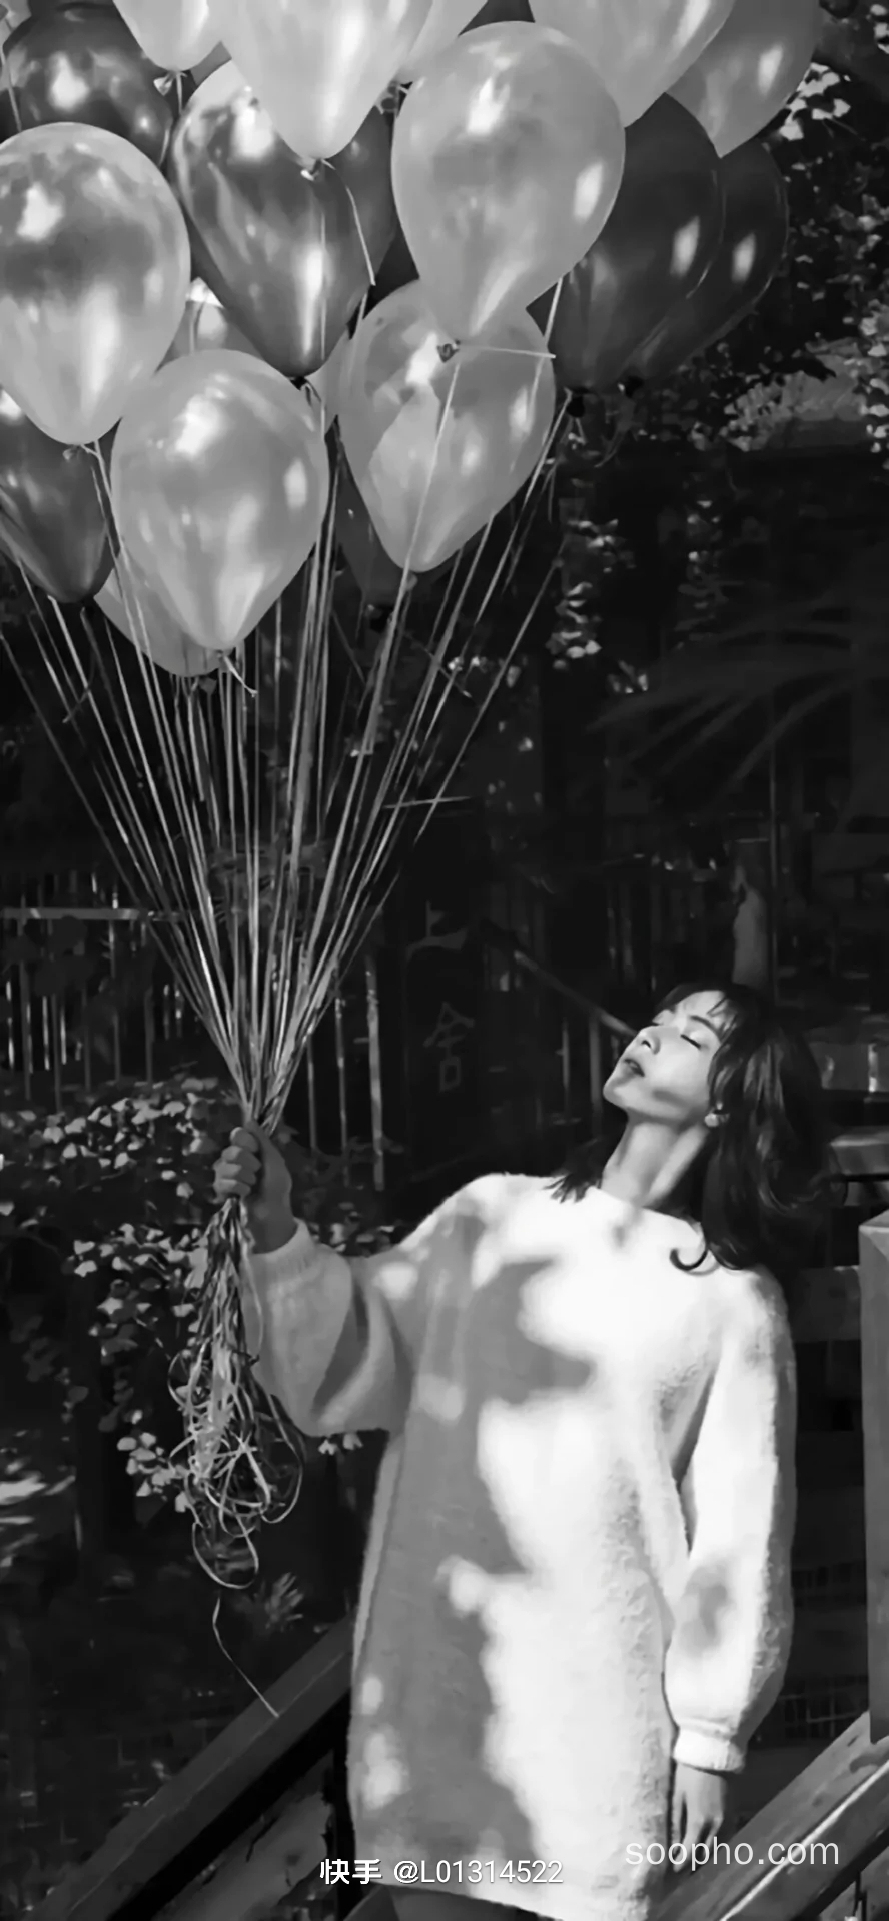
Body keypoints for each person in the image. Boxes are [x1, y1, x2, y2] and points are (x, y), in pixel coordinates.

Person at [213, 980, 827, 1921]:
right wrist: (275, 1232)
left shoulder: (731, 1303)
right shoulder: (490, 1216)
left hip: (601, 1723)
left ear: (726, 1101)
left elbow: (740, 1538)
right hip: (441, 1701)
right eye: (655, 1019)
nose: (649, 1034)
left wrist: (710, 1739)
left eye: (689, 1034)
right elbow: (349, 1356)